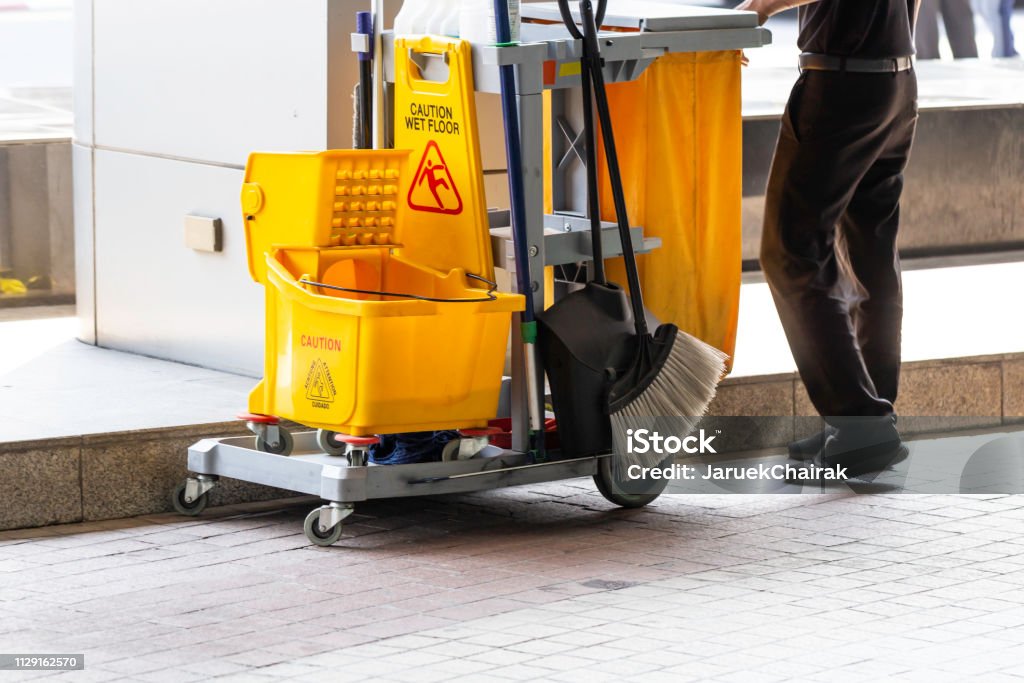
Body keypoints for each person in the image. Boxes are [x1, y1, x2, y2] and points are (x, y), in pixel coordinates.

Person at [735, 0, 919, 478]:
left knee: (790, 252)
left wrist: (756, 8)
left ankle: (860, 423)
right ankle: (866, 416)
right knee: (871, 255)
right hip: (895, 83)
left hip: (841, 85)